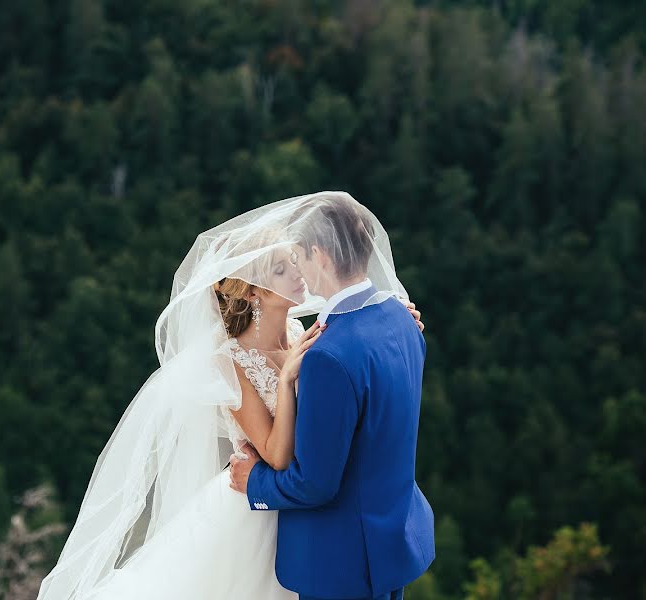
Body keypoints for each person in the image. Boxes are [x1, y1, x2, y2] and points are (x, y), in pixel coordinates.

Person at [36, 191, 426, 600]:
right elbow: (276, 456)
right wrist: (287, 382)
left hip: (302, 514)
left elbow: (359, 362)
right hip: (257, 513)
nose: (297, 276)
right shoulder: (232, 361)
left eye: (293, 262)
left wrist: (398, 319)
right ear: (254, 292)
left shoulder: (301, 333)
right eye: (280, 270)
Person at [229, 194, 435, 600]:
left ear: (319, 256)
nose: (299, 272)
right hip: (392, 544)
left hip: (342, 562)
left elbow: (314, 484)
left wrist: (254, 482)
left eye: (298, 258)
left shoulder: (327, 356)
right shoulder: (404, 319)